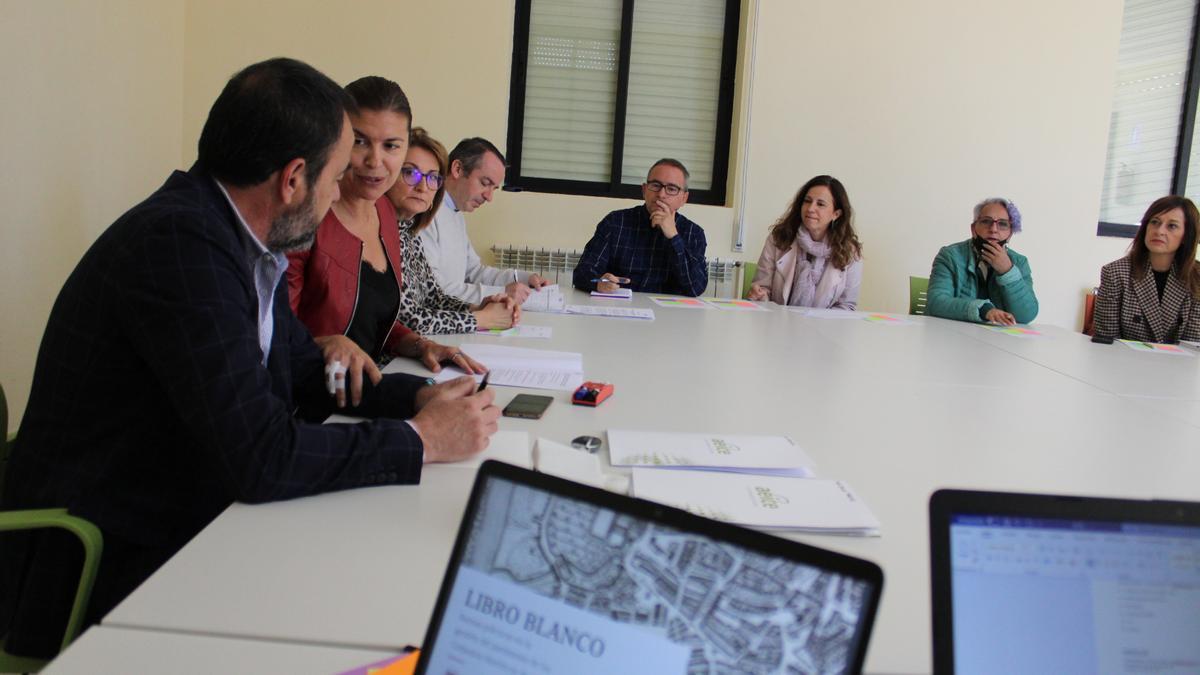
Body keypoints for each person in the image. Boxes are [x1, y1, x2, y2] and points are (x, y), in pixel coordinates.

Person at [0, 58, 499, 658]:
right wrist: (421, 441)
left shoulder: (229, 237)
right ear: (294, 179)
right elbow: (260, 456)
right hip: (101, 559)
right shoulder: (181, 248)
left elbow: (304, 369)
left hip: (182, 511)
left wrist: (417, 398)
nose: (342, 194)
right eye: (337, 175)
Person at [287, 77, 496, 386]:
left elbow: (379, 321)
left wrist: (421, 345)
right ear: (336, 140)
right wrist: (319, 344)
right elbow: (272, 335)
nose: (375, 161)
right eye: (359, 141)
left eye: (391, 146)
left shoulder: (385, 213)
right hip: (316, 396)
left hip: (374, 383)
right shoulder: (304, 218)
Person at [420, 137, 549, 304]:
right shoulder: (424, 213)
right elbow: (433, 289)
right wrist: (502, 293)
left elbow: (474, 272)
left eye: (493, 188)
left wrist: (523, 279)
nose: (489, 197)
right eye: (485, 183)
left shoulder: (454, 212)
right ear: (457, 169)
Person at [572, 159, 709, 296]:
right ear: (644, 190)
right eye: (655, 185)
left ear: (684, 198)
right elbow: (582, 273)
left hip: (668, 314)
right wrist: (598, 282)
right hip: (620, 309)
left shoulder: (694, 233)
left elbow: (695, 288)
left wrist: (673, 236)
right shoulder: (615, 222)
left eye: (671, 189)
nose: (661, 194)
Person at [1093, 196, 1200, 343]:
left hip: (1178, 365)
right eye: (1154, 222)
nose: (1159, 231)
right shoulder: (1115, 273)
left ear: (1186, 236)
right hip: (1123, 363)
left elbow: (1193, 346)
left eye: (1172, 226)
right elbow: (1105, 341)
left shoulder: (1197, 277)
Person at [746, 175, 863, 309]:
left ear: (836, 214)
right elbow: (762, 287)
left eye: (820, 204)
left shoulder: (850, 252)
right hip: (777, 324)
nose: (810, 208)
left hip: (823, 328)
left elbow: (847, 306)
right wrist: (760, 296)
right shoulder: (779, 238)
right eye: (807, 201)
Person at [926, 197, 1038, 325]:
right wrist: (984, 310)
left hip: (998, 340)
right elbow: (936, 302)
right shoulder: (950, 256)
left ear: (1010, 234)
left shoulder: (1019, 262)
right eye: (986, 221)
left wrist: (1007, 271)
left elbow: (1027, 315)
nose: (993, 229)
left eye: (1002, 224)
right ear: (973, 229)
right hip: (953, 336)